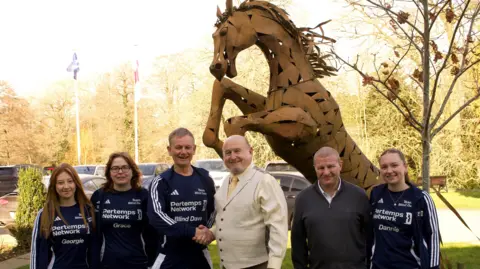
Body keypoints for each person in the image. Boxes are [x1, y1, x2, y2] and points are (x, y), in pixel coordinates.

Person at [212, 135, 288, 269]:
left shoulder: (264, 181)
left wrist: (274, 265)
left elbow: (277, 227)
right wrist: (211, 232)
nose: (233, 156)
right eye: (228, 153)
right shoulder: (226, 182)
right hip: (227, 265)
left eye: (237, 151)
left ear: (250, 151)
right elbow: (225, 218)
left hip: (256, 265)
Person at [291, 146, 370, 269]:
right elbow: (298, 243)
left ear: (340, 165)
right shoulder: (303, 199)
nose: (326, 172)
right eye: (321, 168)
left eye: (331, 166)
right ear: (315, 169)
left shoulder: (358, 196)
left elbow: (370, 237)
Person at [147, 127, 216, 269]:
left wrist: (205, 231)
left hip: (199, 253)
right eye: (178, 147)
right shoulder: (160, 182)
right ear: (169, 149)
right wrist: (192, 231)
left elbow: (213, 211)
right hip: (169, 256)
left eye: (187, 147)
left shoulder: (205, 178)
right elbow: (156, 217)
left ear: (194, 149)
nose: (183, 152)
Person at [368, 148, 440, 269]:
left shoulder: (421, 198)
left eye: (394, 165)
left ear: (405, 167)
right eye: (384, 167)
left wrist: (433, 267)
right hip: (379, 266)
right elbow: (370, 232)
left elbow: (433, 236)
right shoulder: (376, 194)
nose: (389, 170)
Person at [90, 152, 156, 269]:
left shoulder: (144, 196)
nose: (120, 172)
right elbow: (94, 235)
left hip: (138, 263)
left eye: (125, 167)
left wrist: (152, 263)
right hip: (107, 264)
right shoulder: (99, 196)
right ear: (109, 172)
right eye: (115, 168)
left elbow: (152, 234)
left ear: (132, 170)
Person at [31, 163, 97, 269]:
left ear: (76, 183)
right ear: (54, 186)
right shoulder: (45, 214)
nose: (66, 186)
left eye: (70, 181)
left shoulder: (89, 211)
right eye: (60, 183)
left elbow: (95, 250)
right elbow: (37, 253)